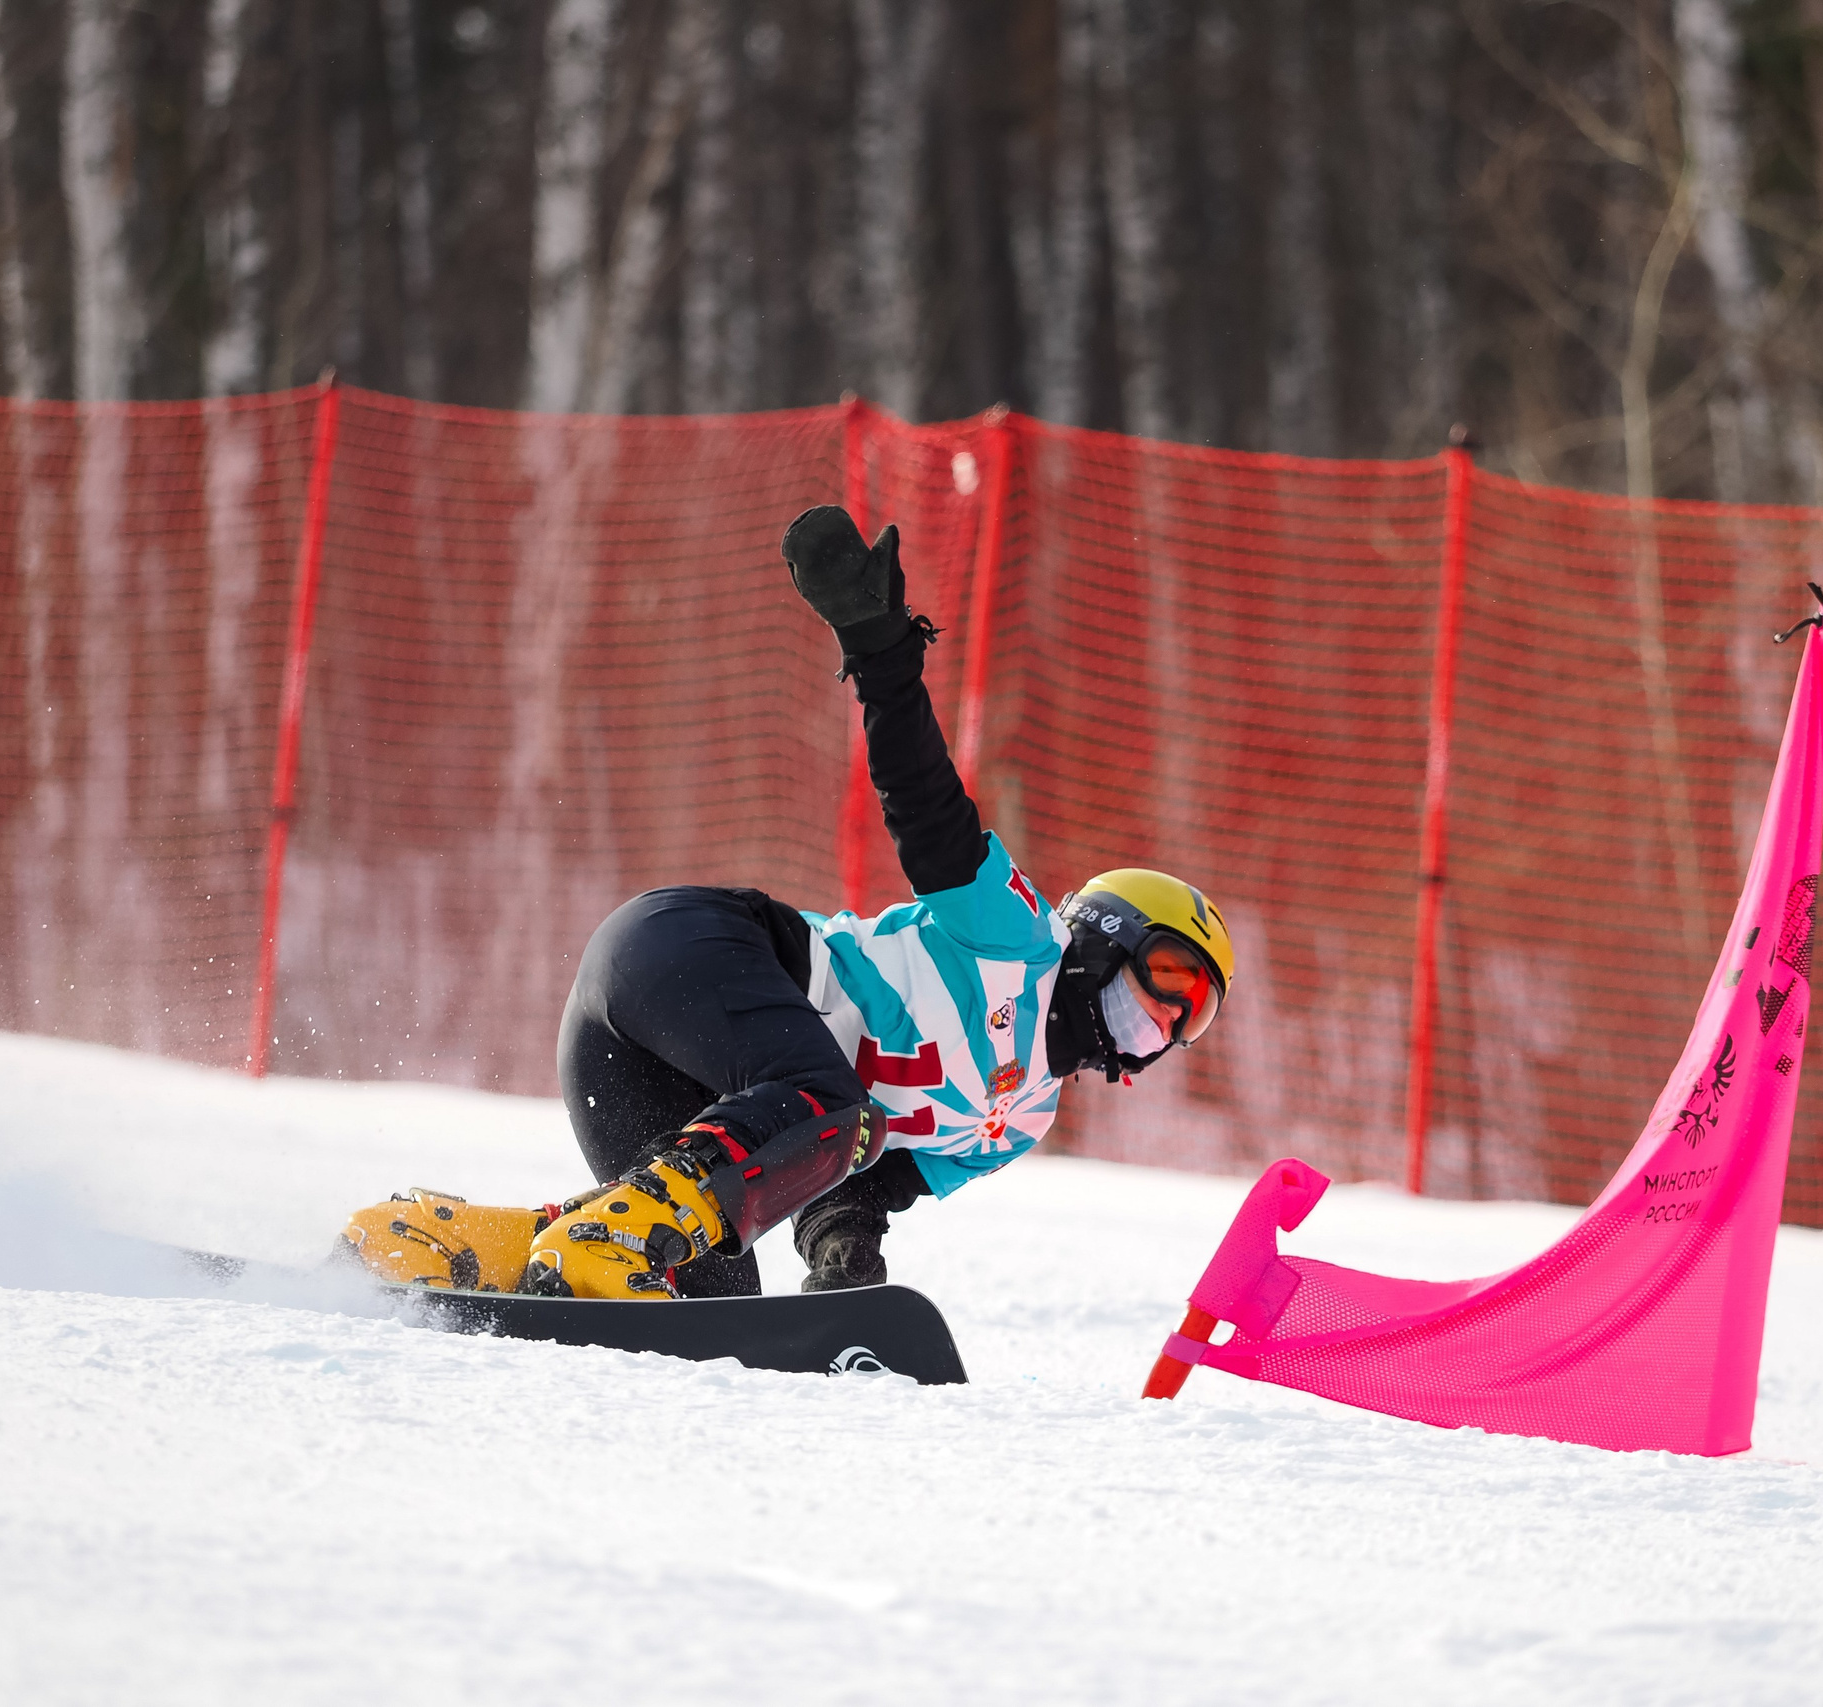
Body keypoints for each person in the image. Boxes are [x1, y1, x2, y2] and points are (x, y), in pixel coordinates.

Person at [343, 505, 1234, 1299]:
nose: (1166, 1014)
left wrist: (846, 1252)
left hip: (660, 1067)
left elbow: (858, 1180)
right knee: (826, 1103)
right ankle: (594, 1240)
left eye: (1190, 1019)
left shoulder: (1021, 1122)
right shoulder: (1019, 941)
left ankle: (453, 1248)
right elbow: (925, 807)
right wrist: (882, 652)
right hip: (689, 952)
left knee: (711, 1287)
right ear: (1105, 933)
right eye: (1168, 974)